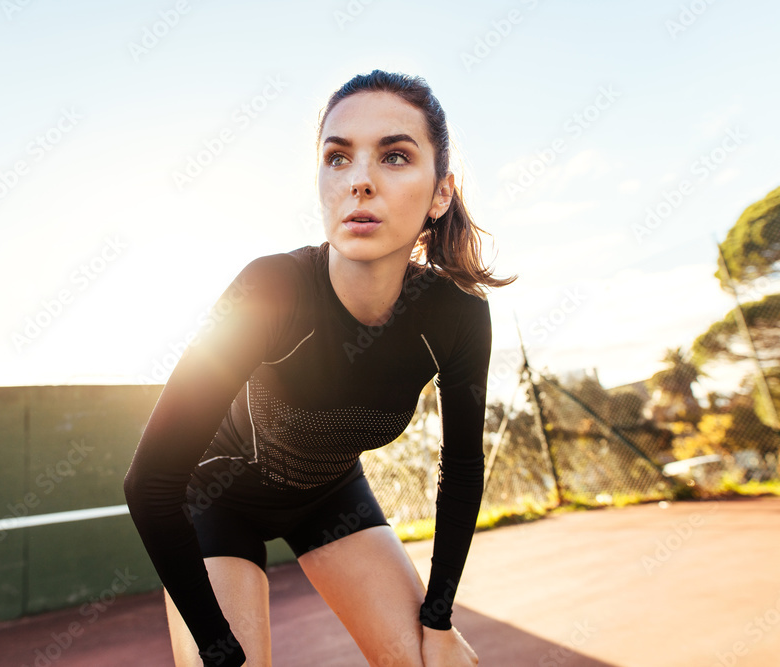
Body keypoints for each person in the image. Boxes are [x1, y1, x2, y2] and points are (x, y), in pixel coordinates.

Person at [124, 69, 517, 667]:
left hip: (333, 498)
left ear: (440, 193)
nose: (360, 180)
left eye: (394, 156)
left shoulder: (457, 317)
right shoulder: (271, 289)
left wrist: (439, 620)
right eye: (338, 158)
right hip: (217, 499)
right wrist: (220, 651)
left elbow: (461, 469)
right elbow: (150, 484)